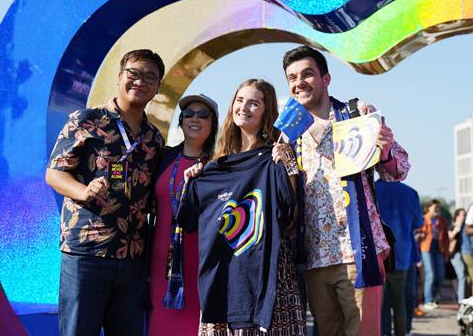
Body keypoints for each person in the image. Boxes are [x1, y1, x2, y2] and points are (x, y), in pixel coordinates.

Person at [282, 45, 411, 336]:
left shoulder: (357, 114)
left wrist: (386, 149)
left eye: (307, 74)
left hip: (358, 251)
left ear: (326, 79)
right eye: (292, 77)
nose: (299, 82)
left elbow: (399, 171)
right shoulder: (289, 132)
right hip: (314, 256)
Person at [45, 49, 166, 336]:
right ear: (120, 77)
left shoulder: (154, 138)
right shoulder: (87, 120)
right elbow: (54, 172)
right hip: (87, 252)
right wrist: (84, 191)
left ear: (158, 87)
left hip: (133, 256)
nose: (140, 81)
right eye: (133, 74)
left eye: (150, 77)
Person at [184, 79, 305, 335]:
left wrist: (288, 167)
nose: (244, 107)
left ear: (266, 110)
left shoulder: (275, 155)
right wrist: (196, 179)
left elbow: (290, 214)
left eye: (254, 103)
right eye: (240, 100)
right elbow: (189, 220)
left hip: (268, 266)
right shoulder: (215, 164)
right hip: (225, 273)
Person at [148, 94, 219, 335]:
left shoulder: (220, 165)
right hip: (161, 263)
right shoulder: (163, 158)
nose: (195, 118)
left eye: (203, 114)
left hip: (203, 263)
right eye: (189, 113)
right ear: (181, 121)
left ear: (213, 123)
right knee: (161, 324)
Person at [375, 181, 424, 336]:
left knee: (381, 302)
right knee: (402, 300)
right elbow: (418, 222)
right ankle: (404, 331)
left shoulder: (371, 189)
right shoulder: (410, 192)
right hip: (404, 253)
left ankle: (384, 332)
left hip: (379, 253)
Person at [419, 201, 450, 309]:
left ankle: (435, 295)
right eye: (435, 207)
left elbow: (446, 237)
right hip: (426, 247)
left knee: (440, 274)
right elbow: (418, 232)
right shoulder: (423, 218)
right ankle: (428, 300)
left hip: (439, 247)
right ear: (428, 208)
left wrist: (446, 253)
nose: (437, 209)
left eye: (438, 207)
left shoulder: (441, 220)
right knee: (430, 274)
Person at [449, 207, 473, 302]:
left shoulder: (464, 225)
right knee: (462, 276)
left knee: (466, 277)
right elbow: (449, 238)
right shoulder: (456, 226)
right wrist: (456, 229)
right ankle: (461, 300)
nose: (465, 216)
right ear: (457, 216)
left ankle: (463, 297)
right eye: (463, 215)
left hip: (461, 253)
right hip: (456, 254)